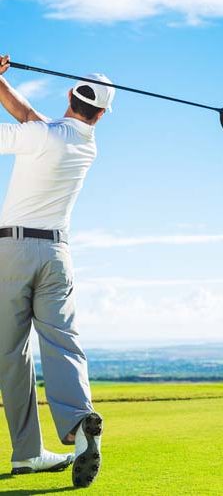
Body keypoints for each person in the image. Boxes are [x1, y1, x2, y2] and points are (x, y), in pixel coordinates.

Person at [0, 54, 115, 488]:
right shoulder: (84, 143)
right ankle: (77, 422)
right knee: (62, 343)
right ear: (101, 113)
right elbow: (30, 118)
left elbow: (29, 126)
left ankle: (27, 451)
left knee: (11, 355)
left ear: (69, 94)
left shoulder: (42, 136)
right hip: (56, 255)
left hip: (11, 251)